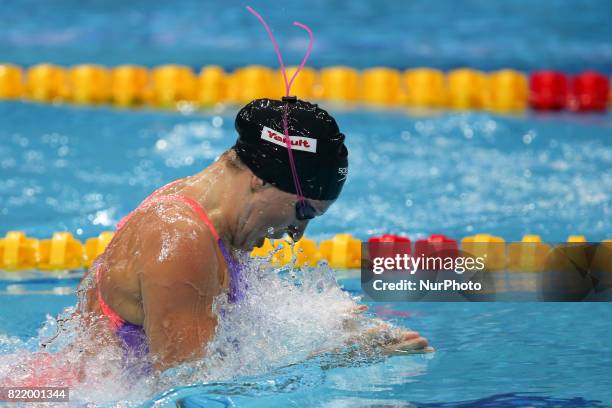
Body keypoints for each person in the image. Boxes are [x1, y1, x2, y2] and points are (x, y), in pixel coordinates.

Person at [78, 97, 431, 371]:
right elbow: (189, 390)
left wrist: (327, 326)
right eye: (303, 210)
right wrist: (333, 359)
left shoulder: (206, 216)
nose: (296, 234)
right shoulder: (181, 236)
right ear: (261, 177)